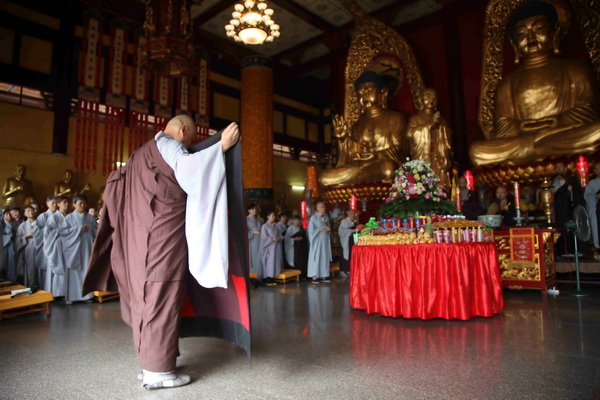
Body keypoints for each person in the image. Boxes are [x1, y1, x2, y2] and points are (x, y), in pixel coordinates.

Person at [83, 115, 241, 390]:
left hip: (138, 238)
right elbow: (191, 171)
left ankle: (149, 365)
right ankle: (159, 373)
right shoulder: (169, 146)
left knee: (146, 301)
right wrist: (220, 148)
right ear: (182, 130)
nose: (189, 144)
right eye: (191, 140)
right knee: (162, 297)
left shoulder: (139, 155)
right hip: (162, 239)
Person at [470, 1, 600, 167]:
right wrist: (520, 127)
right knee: (477, 150)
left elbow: (589, 111)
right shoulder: (507, 83)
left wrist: (557, 121)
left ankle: (540, 148)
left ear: (555, 34)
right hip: (524, 141)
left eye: (539, 28)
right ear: (514, 43)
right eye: (522, 33)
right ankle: (539, 148)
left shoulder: (575, 69)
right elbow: (502, 128)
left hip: (561, 135)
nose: (530, 37)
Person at [320, 71, 407, 187]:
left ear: (383, 92)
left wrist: (376, 155)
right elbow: (352, 157)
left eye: (369, 90)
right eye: (360, 93)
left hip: (382, 166)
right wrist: (343, 139)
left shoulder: (396, 118)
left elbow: (401, 150)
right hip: (361, 169)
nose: (364, 95)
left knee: (388, 168)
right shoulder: (358, 125)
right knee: (324, 177)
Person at [406, 88, 453, 188]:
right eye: (427, 96)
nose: (430, 99)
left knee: (440, 186)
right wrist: (429, 125)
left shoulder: (441, 120)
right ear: (421, 100)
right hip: (424, 156)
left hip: (439, 157)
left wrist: (441, 128)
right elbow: (410, 134)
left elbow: (448, 136)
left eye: (433, 97)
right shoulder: (415, 119)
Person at [60, 194, 95, 304]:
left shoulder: (90, 218)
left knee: (86, 270)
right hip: (73, 249)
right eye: (80, 203)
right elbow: (63, 232)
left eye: (84, 203)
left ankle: (87, 296)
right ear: (74, 205)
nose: (83, 205)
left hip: (87, 247)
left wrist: (89, 229)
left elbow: (96, 232)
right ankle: (71, 297)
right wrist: (77, 230)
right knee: (74, 272)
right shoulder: (69, 218)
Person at [552, 163, 586, 256]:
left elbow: (578, 192)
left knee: (574, 227)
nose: (558, 168)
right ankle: (565, 251)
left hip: (571, 208)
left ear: (565, 168)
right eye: (557, 167)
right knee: (562, 228)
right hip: (560, 209)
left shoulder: (572, 180)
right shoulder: (554, 180)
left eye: (560, 166)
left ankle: (577, 250)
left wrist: (571, 190)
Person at [43, 196, 69, 297]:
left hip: (67, 247)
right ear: (58, 204)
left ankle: (65, 292)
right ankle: (55, 293)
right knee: (56, 270)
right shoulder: (53, 217)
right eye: (64, 202)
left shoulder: (69, 216)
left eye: (68, 202)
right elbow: (48, 233)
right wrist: (62, 232)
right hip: (56, 246)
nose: (67, 204)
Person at [35, 195, 58, 290]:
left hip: (57, 247)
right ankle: (45, 289)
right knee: (46, 269)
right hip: (46, 246)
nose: (55, 205)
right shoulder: (43, 216)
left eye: (57, 203)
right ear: (47, 204)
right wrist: (48, 231)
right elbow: (37, 232)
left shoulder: (60, 215)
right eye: (53, 203)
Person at [307, 202, 332, 283]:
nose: (323, 208)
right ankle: (315, 275)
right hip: (317, 241)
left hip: (324, 240)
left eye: (324, 207)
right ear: (317, 208)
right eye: (321, 207)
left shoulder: (325, 217)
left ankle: (323, 274)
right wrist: (320, 230)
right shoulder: (313, 218)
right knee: (316, 256)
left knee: (324, 256)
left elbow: (327, 226)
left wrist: (328, 229)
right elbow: (310, 230)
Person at [15, 205, 37, 287]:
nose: (31, 212)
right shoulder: (22, 226)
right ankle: (30, 286)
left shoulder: (40, 223)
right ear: (24, 214)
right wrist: (26, 236)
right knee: (29, 269)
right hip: (28, 250)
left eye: (32, 210)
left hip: (39, 249)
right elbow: (17, 240)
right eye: (28, 211)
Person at [260, 211, 283, 285]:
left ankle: (273, 277)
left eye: (274, 216)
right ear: (268, 216)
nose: (274, 217)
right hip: (269, 247)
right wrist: (272, 239)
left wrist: (279, 238)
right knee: (269, 262)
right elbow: (263, 238)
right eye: (272, 216)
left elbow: (280, 235)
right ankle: (268, 277)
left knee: (275, 261)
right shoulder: (264, 226)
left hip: (275, 247)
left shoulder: (276, 226)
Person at [585, 163, 600, 257]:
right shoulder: (592, 183)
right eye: (596, 169)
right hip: (597, 210)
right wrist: (596, 197)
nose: (598, 170)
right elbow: (587, 196)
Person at [338, 209, 358, 277]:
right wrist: (351, 230)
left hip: (351, 241)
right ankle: (343, 270)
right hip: (346, 240)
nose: (353, 215)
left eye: (354, 214)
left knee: (350, 254)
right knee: (345, 254)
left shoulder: (353, 222)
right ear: (348, 214)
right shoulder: (344, 221)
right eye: (352, 214)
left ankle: (349, 269)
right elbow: (342, 231)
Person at [247, 203, 263, 282]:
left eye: (255, 208)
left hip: (260, 240)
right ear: (249, 210)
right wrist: (253, 232)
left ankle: (260, 277)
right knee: (253, 258)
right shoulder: (247, 219)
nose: (255, 210)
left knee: (260, 258)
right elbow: (245, 232)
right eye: (253, 209)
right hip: (252, 241)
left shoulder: (259, 219)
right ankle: (253, 277)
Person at [2, 209, 17, 282]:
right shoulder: (3, 224)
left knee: (10, 263)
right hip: (4, 245)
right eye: (6, 214)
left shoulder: (12, 224)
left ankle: (10, 279)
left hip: (10, 245)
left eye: (9, 215)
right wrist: (9, 236)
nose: (9, 216)